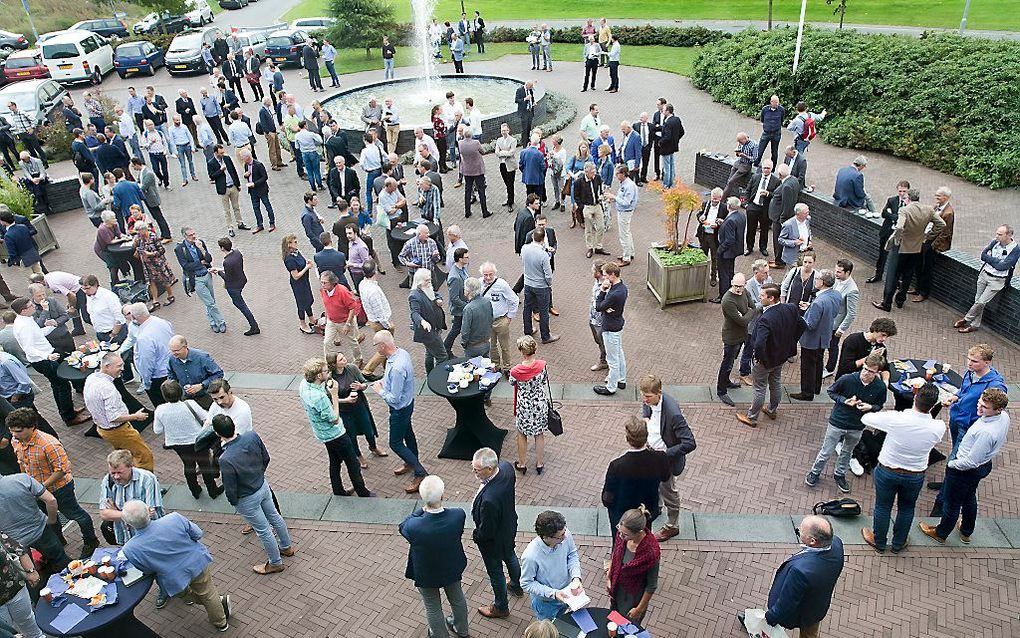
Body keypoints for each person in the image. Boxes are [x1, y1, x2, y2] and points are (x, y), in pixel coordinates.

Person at [860, 383, 946, 554]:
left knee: (883, 506)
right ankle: (899, 542)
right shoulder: (939, 427)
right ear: (934, 405)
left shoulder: (896, 418)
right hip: (914, 474)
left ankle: (879, 541)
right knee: (907, 508)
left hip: (888, 471)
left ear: (915, 398)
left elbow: (866, 419)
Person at [121, 503, 231, 631]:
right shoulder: (174, 518)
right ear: (149, 511)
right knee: (208, 594)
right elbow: (198, 534)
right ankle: (221, 623)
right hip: (197, 563)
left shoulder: (130, 548)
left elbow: (146, 570)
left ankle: (215, 602)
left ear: (127, 524)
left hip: (173, 579)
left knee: (185, 595)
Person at [7, 408, 99, 558]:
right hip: (36, 489)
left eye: (18, 431)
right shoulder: (16, 441)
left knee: (75, 514)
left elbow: (62, 469)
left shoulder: (48, 444)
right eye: (12, 431)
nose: (14, 435)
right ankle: (59, 540)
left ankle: (91, 540)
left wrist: (42, 486)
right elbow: (22, 463)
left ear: (31, 427)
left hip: (60, 488)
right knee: (49, 517)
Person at [923, 388, 1009, 544]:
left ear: (999, 409)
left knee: (951, 502)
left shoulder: (986, 433)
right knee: (969, 497)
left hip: (965, 470)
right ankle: (966, 530)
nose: (979, 407)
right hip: (982, 466)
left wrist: (952, 464)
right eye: (980, 402)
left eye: (984, 407)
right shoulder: (1003, 417)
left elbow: (971, 462)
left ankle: (941, 533)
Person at [214, 415, 295, 574]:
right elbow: (266, 457)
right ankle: (286, 547)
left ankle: (275, 563)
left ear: (218, 434)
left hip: (246, 498)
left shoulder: (226, 458)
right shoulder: (252, 435)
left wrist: (234, 502)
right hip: (262, 485)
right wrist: (259, 475)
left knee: (264, 530)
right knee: (275, 517)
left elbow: (230, 488)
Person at [740, 515, 843, 638]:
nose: (798, 530)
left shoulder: (800, 571)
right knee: (810, 634)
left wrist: (771, 618)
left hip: (798, 612)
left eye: (800, 532)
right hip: (817, 608)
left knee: (770, 626)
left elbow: (787, 602)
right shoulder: (837, 544)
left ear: (812, 541)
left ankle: (755, 628)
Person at [805, 353, 887, 493]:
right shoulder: (847, 379)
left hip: (857, 426)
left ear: (877, 372)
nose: (866, 373)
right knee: (826, 451)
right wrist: (844, 401)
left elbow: (879, 404)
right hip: (838, 422)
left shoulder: (880, 387)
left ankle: (840, 474)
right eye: (865, 368)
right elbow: (831, 392)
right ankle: (815, 472)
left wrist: (870, 407)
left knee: (847, 452)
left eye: (870, 371)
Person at [399, 475, 469, 638]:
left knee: (432, 605)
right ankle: (461, 629)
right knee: (457, 598)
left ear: (423, 498)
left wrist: (420, 510)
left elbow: (403, 525)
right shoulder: (458, 515)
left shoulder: (414, 526)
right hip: (451, 566)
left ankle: (439, 635)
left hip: (426, 572)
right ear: (442, 496)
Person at [299, 357, 373, 497]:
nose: (328, 373)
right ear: (319, 375)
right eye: (326, 371)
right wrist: (334, 394)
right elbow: (334, 418)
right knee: (353, 463)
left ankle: (338, 490)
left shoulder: (304, 385)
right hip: (335, 434)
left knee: (335, 461)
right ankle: (363, 492)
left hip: (322, 434)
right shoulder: (318, 397)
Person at [10, 298, 89, 427]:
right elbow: (28, 347)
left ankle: (67, 411)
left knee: (57, 384)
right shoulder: (23, 326)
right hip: (43, 360)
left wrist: (51, 326)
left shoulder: (27, 320)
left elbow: (38, 335)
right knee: (62, 385)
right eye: (30, 306)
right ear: (23, 310)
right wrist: (47, 355)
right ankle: (69, 416)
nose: (34, 307)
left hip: (46, 355)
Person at [638, 375, 697, 542]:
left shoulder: (673, 414)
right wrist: (646, 418)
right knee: (652, 484)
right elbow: (645, 407)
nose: (644, 400)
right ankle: (655, 508)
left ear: (659, 393)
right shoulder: (649, 401)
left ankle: (672, 526)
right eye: (643, 395)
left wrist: (665, 455)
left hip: (665, 461)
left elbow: (690, 443)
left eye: (648, 397)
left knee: (669, 491)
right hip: (652, 453)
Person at [737, 285, 805, 428]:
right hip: (781, 356)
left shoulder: (765, 319)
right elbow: (802, 325)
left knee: (759, 388)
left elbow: (759, 344)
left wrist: (759, 358)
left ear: (771, 298)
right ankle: (772, 410)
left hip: (766, 360)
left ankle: (752, 417)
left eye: (762, 296)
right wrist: (791, 342)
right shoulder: (791, 308)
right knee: (775, 382)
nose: (760, 298)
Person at [371, 330, 429, 492]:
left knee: (395, 443)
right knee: (408, 434)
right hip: (407, 404)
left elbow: (394, 398)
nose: (376, 348)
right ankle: (411, 462)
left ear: (383, 346)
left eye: (376, 345)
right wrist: (380, 382)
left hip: (399, 409)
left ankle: (420, 471)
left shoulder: (397, 368)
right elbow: (389, 379)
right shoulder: (401, 353)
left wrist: (379, 391)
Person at [470, 448, 521, 620]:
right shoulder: (506, 468)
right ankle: (516, 584)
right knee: (510, 555)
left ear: (490, 469)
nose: (474, 472)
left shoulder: (489, 499)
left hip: (493, 540)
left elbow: (487, 531)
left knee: (495, 572)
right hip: (509, 527)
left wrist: (477, 536)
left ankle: (500, 606)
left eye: (477, 470)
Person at [874, 189, 945, 312]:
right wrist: (927, 236)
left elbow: (900, 226)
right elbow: (941, 224)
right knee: (908, 275)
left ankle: (886, 303)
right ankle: (900, 300)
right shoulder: (928, 210)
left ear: (908, 199)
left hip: (902, 248)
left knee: (893, 275)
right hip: (917, 248)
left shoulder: (904, 210)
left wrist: (897, 239)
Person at [84, 349, 154, 469]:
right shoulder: (108, 389)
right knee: (144, 456)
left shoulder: (91, 378)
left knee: (124, 456)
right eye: (119, 366)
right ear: (107, 366)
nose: (122, 369)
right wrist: (135, 416)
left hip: (103, 429)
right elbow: (114, 417)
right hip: (118, 430)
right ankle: (147, 483)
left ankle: (130, 477)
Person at [152, 380, 222, 499]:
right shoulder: (190, 404)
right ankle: (212, 490)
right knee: (205, 464)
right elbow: (206, 417)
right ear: (180, 392)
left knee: (188, 465)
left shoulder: (160, 409)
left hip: (177, 443)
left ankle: (195, 490)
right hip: (197, 440)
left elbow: (157, 430)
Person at [602, 416, 671, 536]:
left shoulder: (617, 465)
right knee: (644, 537)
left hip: (622, 514)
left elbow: (607, 497)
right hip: (647, 511)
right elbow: (665, 477)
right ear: (646, 436)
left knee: (620, 543)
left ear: (627, 439)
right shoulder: (660, 458)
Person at [521, 510, 583, 620]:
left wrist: (576, 578)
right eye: (560, 536)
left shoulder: (565, 534)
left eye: (564, 532)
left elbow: (572, 554)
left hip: (567, 595)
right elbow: (527, 583)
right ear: (546, 537)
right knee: (547, 630)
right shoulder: (531, 556)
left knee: (563, 621)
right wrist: (553, 594)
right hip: (546, 604)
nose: (565, 537)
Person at [956, 225, 1019, 333]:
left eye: (1000, 234)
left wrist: (992, 260)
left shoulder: (1015, 249)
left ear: (1009, 235)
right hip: (984, 274)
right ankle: (974, 325)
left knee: (981, 302)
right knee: (977, 300)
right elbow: (983, 256)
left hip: (997, 280)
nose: (997, 236)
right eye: (997, 233)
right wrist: (996, 261)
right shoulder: (994, 242)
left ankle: (966, 319)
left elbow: (1002, 267)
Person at [0, 472, 69, 571]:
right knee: (61, 561)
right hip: (41, 530)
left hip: (16, 544)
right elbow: (51, 500)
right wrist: (52, 520)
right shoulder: (21, 479)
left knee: (31, 572)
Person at [791, 270, 840, 401]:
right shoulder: (835, 295)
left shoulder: (818, 302)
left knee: (807, 366)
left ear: (822, 282)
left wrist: (798, 316)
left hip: (811, 340)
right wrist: (810, 307)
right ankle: (816, 388)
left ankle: (807, 393)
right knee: (818, 362)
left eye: (817, 279)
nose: (815, 280)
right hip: (824, 336)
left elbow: (810, 324)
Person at [98, 448, 164, 546]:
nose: (116, 477)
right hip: (125, 536)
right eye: (113, 473)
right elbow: (104, 514)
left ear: (131, 466)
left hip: (148, 537)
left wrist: (116, 512)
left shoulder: (147, 479)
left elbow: (148, 515)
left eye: (120, 472)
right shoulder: (108, 480)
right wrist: (133, 514)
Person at [607, 506, 660, 625]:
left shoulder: (651, 552)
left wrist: (639, 609)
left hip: (633, 597)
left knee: (627, 626)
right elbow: (615, 556)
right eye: (619, 530)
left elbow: (651, 585)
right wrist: (609, 576)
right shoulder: (622, 536)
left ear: (639, 532)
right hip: (617, 590)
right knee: (613, 621)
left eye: (625, 534)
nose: (620, 536)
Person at [509, 335, 550, 474]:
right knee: (539, 434)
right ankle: (539, 463)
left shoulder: (516, 371)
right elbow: (543, 380)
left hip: (524, 406)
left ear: (522, 352)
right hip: (540, 403)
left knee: (522, 434)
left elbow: (512, 382)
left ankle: (522, 463)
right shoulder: (542, 366)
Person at [175, 227, 227, 333]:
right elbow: (185, 266)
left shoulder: (200, 243)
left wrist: (202, 249)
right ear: (184, 236)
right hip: (196, 279)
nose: (193, 236)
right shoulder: (180, 249)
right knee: (210, 303)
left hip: (207, 275)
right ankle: (221, 321)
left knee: (210, 300)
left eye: (194, 233)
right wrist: (200, 263)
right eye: (190, 235)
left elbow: (208, 259)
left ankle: (212, 322)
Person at [0, 528, 45, 638]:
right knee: (8, 631)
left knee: (28, 620)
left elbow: (16, 548)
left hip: (15, 587)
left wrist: (31, 571)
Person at [717, 274, 753, 406]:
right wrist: (748, 313)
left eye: (741, 286)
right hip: (731, 337)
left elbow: (753, 307)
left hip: (741, 335)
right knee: (727, 362)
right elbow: (743, 321)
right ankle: (721, 390)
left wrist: (747, 313)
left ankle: (726, 381)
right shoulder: (728, 301)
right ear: (731, 283)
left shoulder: (745, 292)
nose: (738, 289)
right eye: (735, 286)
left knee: (732, 360)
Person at [129, 302, 174, 409]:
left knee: (163, 405)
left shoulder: (144, 337)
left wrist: (146, 381)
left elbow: (146, 362)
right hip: (172, 367)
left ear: (134, 317)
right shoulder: (162, 322)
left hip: (158, 376)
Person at [211, 238, 259, 336]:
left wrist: (219, 272)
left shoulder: (227, 262)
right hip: (241, 280)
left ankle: (254, 326)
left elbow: (228, 278)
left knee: (241, 305)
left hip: (234, 286)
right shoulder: (237, 253)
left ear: (222, 248)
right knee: (239, 303)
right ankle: (254, 325)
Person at [593, 262, 627, 396]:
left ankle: (611, 387)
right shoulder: (622, 287)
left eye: (606, 275)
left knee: (612, 359)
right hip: (617, 324)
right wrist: (606, 307)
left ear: (613, 275)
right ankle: (621, 379)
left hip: (610, 327)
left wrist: (602, 291)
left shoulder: (613, 294)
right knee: (619, 353)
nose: (605, 278)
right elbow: (604, 306)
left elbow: (598, 306)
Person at [479, 262, 518, 376]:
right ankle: (495, 365)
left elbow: (514, 300)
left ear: (495, 273)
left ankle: (507, 367)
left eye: (490, 274)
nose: (488, 277)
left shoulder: (502, 284)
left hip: (501, 320)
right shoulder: (479, 283)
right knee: (491, 345)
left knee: (504, 346)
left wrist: (509, 317)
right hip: (487, 321)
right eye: (485, 275)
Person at [822, 259, 860, 377]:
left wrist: (841, 329)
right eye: (836, 271)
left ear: (848, 272)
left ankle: (830, 368)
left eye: (839, 272)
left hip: (835, 324)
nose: (836, 274)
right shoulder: (837, 281)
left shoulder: (852, 290)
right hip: (827, 319)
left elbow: (851, 313)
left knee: (832, 346)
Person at [868, 180, 910, 284]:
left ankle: (898, 280)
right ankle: (878, 275)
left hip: (901, 234)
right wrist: (897, 217)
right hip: (887, 231)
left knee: (900, 257)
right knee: (882, 254)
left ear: (908, 190)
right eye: (900, 191)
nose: (902, 193)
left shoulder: (910, 203)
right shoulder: (892, 200)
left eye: (904, 191)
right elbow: (884, 213)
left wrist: (892, 216)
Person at [320, 270, 363, 369]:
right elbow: (326, 305)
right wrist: (327, 318)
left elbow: (352, 307)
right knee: (326, 342)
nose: (322, 285)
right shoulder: (323, 291)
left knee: (352, 342)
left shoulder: (343, 291)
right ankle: (329, 363)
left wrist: (348, 324)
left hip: (344, 321)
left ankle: (358, 359)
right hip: (331, 321)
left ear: (332, 283)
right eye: (321, 282)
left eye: (325, 283)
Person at [166, 335, 223, 410]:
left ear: (185, 346)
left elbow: (219, 374)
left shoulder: (202, 357)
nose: (174, 353)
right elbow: (171, 376)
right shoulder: (172, 359)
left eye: (177, 350)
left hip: (206, 397)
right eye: (172, 350)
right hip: (186, 399)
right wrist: (179, 389)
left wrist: (201, 385)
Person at [521, 228, 558, 344]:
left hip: (528, 283)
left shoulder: (524, 248)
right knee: (544, 311)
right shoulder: (543, 255)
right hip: (541, 286)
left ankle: (528, 331)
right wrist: (548, 284)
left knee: (527, 308)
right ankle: (545, 336)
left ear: (533, 237)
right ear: (543, 240)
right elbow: (548, 274)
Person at [408, 268, 448, 374]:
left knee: (429, 352)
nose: (429, 282)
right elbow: (414, 313)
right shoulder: (414, 296)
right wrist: (422, 321)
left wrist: (439, 299)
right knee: (442, 356)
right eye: (426, 280)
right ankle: (438, 376)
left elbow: (434, 294)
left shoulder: (427, 288)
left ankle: (430, 374)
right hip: (429, 332)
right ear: (420, 281)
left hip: (435, 327)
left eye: (429, 279)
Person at [133, 222, 176, 309]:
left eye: (139, 231)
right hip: (147, 265)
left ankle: (170, 296)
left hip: (157, 263)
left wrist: (151, 254)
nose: (138, 233)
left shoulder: (153, 237)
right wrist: (136, 250)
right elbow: (138, 248)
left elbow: (161, 250)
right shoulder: (139, 239)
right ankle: (155, 301)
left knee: (164, 280)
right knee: (151, 282)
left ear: (144, 229)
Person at [713, 197, 746, 302]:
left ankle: (723, 296)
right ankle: (730, 291)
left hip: (727, 252)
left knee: (724, 274)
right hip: (735, 250)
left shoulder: (730, 221)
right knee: (730, 271)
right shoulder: (741, 215)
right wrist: (723, 223)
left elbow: (730, 239)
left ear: (728, 206)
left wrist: (720, 250)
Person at [283, 234, 316, 334]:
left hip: (305, 281)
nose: (297, 243)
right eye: (295, 242)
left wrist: (306, 262)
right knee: (301, 303)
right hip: (298, 284)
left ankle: (311, 318)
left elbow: (301, 261)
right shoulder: (289, 259)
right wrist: (307, 267)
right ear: (289, 244)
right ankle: (302, 324)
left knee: (308, 299)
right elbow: (295, 276)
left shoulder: (296, 252)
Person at [133, 158, 173, 241]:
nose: (134, 168)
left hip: (152, 198)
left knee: (159, 217)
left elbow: (143, 187)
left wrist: (137, 186)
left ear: (137, 164)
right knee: (156, 217)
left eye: (134, 166)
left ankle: (167, 235)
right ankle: (163, 233)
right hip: (148, 199)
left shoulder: (148, 173)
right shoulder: (142, 172)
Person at [767, 164, 799, 267]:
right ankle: (778, 259)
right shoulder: (794, 180)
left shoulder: (786, 186)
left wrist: (782, 219)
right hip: (781, 216)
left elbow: (787, 204)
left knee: (778, 239)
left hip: (779, 218)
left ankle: (779, 261)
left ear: (780, 174)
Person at [605, 164, 637, 267]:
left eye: (617, 174)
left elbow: (626, 202)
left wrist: (614, 197)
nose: (616, 176)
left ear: (623, 174)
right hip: (623, 211)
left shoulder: (629, 186)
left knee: (624, 235)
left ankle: (626, 257)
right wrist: (614, 199)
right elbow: (621, 198)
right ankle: (630, 253)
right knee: (627, 232)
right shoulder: (624, 183)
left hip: (625, 212)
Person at [239, 148, 275, 233]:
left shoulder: (259, 165)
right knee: (256, 208)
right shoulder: (246, 165)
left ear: (247, 157)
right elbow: (248, 175)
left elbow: (264, 177)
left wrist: (255, 183)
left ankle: (272, 223)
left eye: (242, 157)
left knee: (267, 205)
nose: (241, 159)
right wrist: (246, 175)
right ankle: (260, 225)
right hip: (252, 191)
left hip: (261, 190)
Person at [574, 162, 605, 258]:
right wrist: (582, 207)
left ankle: (599, 247)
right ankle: (590, 247)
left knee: (601, 227)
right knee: (589, 229)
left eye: (594, 171)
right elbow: (576, 196)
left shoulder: (597, 178)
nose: (594, 174)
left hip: (597, 205)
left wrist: (601, 196)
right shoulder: (578, 182)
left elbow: (601, 188)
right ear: (586, 172)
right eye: (592, 172)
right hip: (587, 207)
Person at [459, 129, 490, 218]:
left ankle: (467, 211)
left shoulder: (460, 143)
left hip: (467, 170)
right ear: (471, 135)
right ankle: (484, 211)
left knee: (468, 190)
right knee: (481, 190)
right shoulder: (476, 143)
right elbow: (483, 151)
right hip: (477, 170)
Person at [777, 203, 812, 270]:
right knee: (791, 275)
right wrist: (794, 243)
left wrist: (809, 241)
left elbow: (809, 231)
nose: (808, 215)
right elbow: (780, 239)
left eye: (808, 212)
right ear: (798, 214)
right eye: (805, 213)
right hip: (793, 256)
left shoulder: (807, 220)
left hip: (805, 254)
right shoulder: (788, 225)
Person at [755, 95, 786, 168]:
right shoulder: (765, 109)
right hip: (766, 133)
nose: (777, 104)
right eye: (775, 102)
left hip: (776, 134)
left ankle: (773, 168)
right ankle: (756, 164)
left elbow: (782, 119)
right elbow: (762, 119)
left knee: (774, 152)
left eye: (777, 102)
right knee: (760, 150)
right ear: (771, 102)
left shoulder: (781, 110)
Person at [657, 104, 683, 189]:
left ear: (668, 111)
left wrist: (660, 142)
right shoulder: (677, 119)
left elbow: (667, 137)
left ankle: (666, 184)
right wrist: (675, 140)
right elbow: (682, 132)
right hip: (673, 147)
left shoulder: (668, 123)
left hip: (666, 148)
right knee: (672, 165)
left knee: (667, 167)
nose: (662, 111)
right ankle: (671, 184)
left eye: (664, 110)